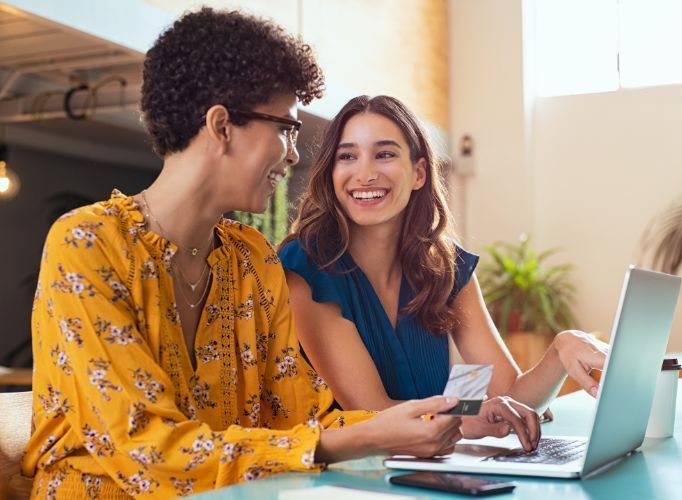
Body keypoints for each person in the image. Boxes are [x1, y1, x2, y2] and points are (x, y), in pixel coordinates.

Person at [22, 11, 464, 498]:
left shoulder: (250, 258)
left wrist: (433, 419)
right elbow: (145, 450)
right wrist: (362, 436)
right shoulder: (87, 243)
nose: (295, 154)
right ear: (221, 125)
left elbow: (304, 411)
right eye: (287, 128)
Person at [279, 95, 609, 447]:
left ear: (419, 173)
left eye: (385, 154)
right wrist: (467, 416)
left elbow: (512, 397)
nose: (364, 173)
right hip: (339, 483)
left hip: (430, 472)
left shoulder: (445, 266)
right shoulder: (307, 266)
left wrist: (561, 350)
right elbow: (374, 413)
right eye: (347, 156)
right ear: (331, 173)